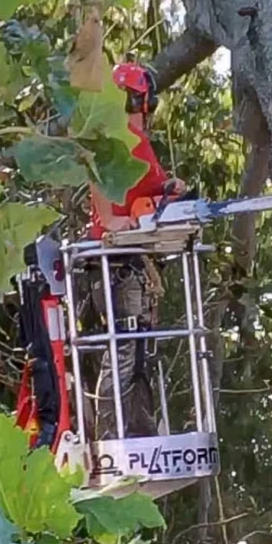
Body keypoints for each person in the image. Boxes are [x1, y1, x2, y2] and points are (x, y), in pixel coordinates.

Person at [80, 61, 185, 440]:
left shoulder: (127, 141)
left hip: (127, 260)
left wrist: (169, 190)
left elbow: (147, 191)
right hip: (118, 262)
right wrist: (110, 220)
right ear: (145, 101)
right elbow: (98, 174)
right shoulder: (118, 137)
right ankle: (117, 440)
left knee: (136, 353)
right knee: (126, 351)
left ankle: (138, 435)